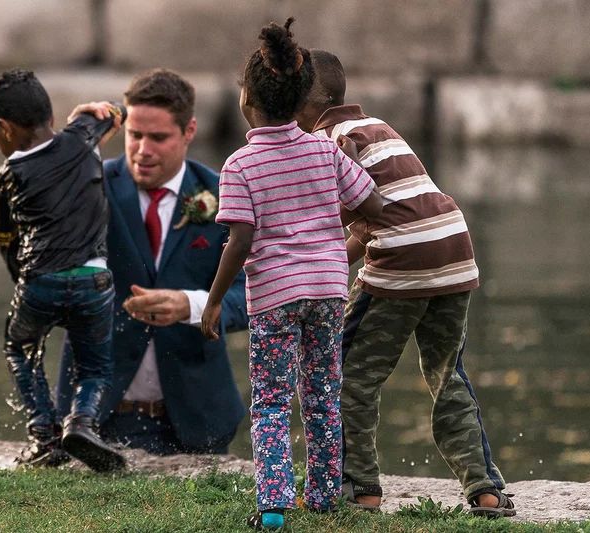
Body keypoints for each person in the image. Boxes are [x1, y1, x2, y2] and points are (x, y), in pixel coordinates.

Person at [294, 49, 516, 517]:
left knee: (346, 373)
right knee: (447, 373)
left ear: (298, 101)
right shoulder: (376, 127)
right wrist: (335, 260)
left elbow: (349, 219)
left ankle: (361, 488)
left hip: (404, 257)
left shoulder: (327, 144)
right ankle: (485, 488)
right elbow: (366, 227)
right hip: (454, 248)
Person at [201, 20, 383, 531]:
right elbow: (371, 201)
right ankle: (323, 495)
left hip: (275, 295)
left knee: (272, 400)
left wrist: (215, 300)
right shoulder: (326, 150)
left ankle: (274, 505)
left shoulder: (240, 165)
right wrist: (335, 207)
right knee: (323, 394)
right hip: (328, 288)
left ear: (247, 100)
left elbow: (240, 241)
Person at [56, 69, 249, 455]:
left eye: (158, 138)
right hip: (95, 418)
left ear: (189, 130)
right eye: (135, 135)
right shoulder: (90, 185)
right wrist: (71, 148)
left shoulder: (223, 195)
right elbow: (45, 238)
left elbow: (255, 294)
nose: (143, 149)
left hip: (197, 419)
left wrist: (194, 306)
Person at [0, 69, 125, 472]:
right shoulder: (81, 135)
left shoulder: (8, 174)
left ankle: (44, 434)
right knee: (94, 365)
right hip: (94, 280)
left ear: (5, 129)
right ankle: (81, 423)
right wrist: (90, 111)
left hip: (39, 280)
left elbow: (7, 241)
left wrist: (24, 284)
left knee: (19, 346)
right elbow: (119, 111)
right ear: (50, 115)